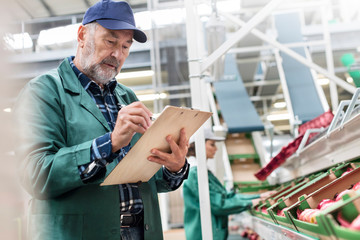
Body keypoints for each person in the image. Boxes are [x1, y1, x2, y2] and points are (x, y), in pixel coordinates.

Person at [13, 1, 189, 240]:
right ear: (82, 34)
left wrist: (173, 166)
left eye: (126, 46)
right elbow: (36, 176)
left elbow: (147, 177)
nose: (118, 54)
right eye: (110, 41)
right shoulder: (44, 91)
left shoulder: (127, 97)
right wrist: (111, 142)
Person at [183, 128, 274, 240]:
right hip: (203, 235)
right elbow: (218, 205)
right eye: (212, 144)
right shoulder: (194, 174)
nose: (216, 149)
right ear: (199, 145)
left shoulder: (204, 172)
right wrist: (252, 202)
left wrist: (259, 196)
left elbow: (227, 196)